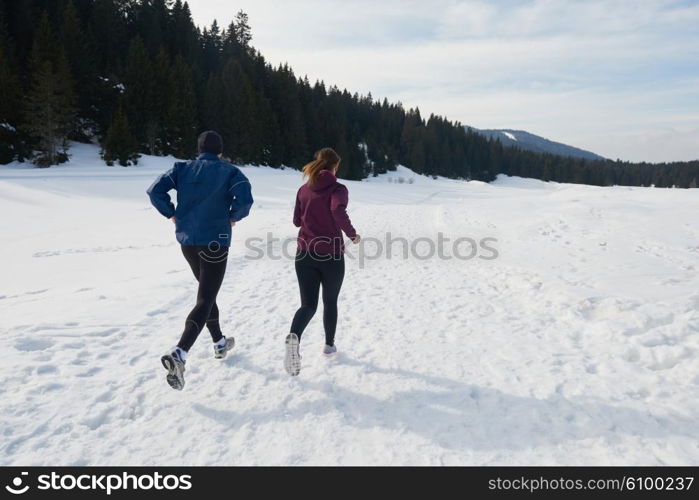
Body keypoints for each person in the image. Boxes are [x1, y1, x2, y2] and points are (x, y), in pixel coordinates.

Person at [147, 130, 253, 390]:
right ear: (220, 151)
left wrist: (171, 213)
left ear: (199, 149)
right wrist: (234, 216)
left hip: (188, 241)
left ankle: (219, 343)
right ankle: (180, 353)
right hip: (215, 240)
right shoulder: (230, 172)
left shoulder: (181, 168)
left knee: (207, 294)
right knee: (206, 297)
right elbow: (245, 199)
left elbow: (154, 191)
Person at [285, 147, 360, 376]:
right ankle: (329, 346)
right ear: (335, 166)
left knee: (308, 304)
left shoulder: (303, 189)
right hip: (331, 256)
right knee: (330, 301)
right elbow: (337, 209)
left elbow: (297, 221)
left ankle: (294, 336)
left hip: (304, 254)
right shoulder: (338, 188)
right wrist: (352, 234)